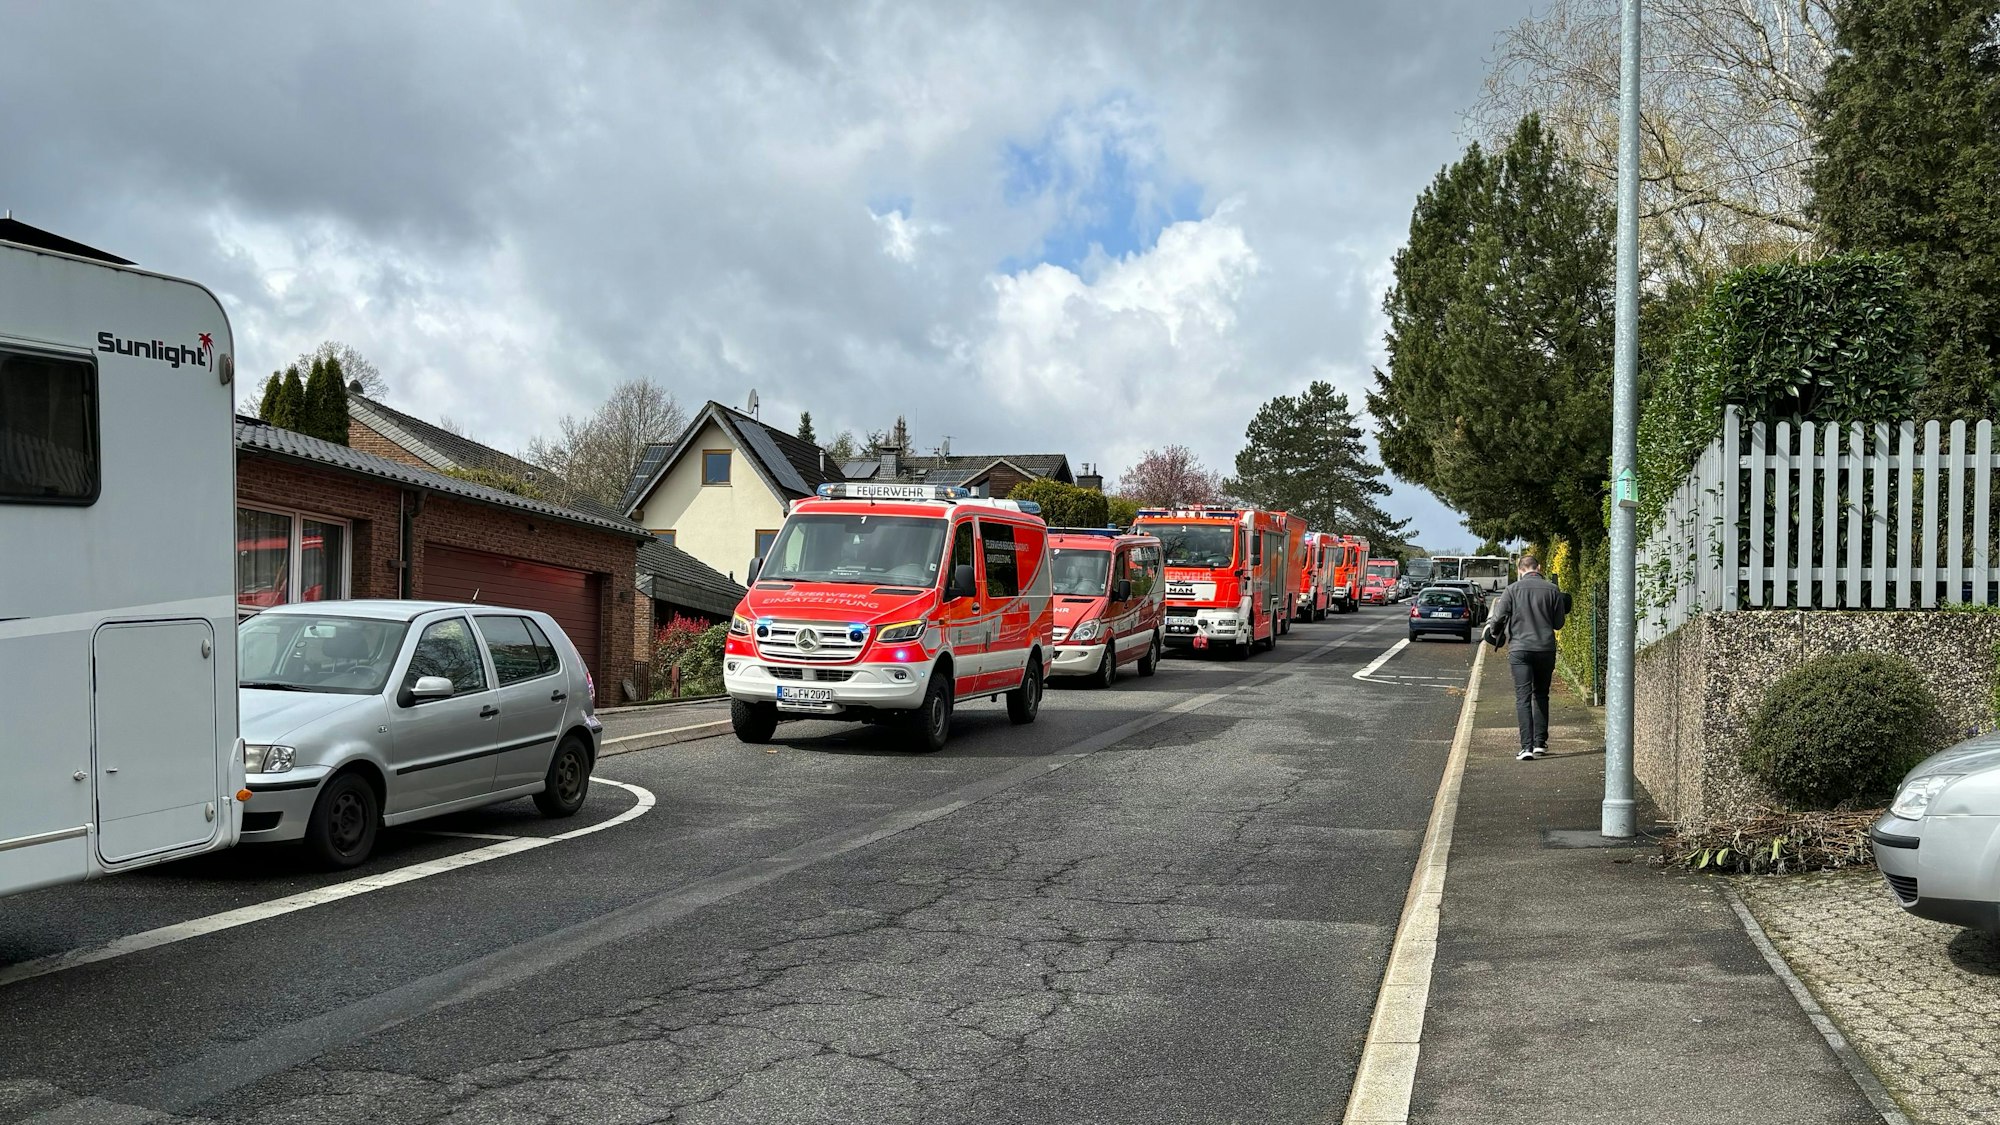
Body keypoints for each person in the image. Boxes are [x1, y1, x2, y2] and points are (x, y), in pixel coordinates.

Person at [1483, 554, 1571, 761]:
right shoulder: (1553, 589)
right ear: (1538, 567)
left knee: (1522, 697)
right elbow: (1559, 624)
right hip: (1545, 649)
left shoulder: (1512, 590)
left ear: (1520, 570)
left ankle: (1526, 747)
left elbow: (1498, 620)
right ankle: (1540, 743)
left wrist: (1494, 633)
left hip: (1520, 650)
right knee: (1541, 694)